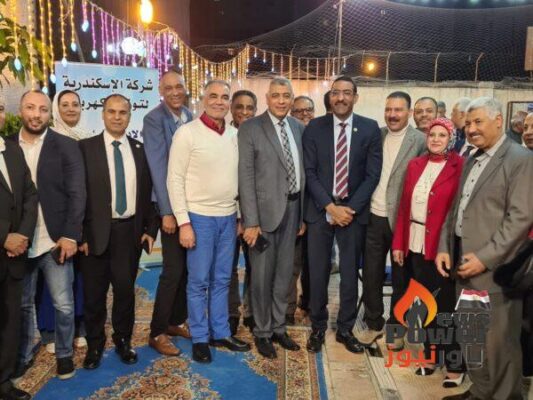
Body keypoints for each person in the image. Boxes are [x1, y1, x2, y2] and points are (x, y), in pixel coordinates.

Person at [437, 97, 533, 400]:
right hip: (463, 264)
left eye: (478, 122)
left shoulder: (520, 159)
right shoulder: (472, 158)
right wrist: (444, 246)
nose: (471, 129)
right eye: (468, 123)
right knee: (472, 338)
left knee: (499, 345)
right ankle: (480, 392)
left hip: (494, 271)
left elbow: (520, 217)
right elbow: (458, 208)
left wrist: (485, 258)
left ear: (498, 121)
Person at [167, 80, 251, 364]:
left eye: (224, 97)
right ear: (203, 99)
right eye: (213, 96)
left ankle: (220, 332)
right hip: (198, 217)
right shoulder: (187, 133)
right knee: (199, 282)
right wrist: (184, 222)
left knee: (223, 279)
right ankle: (200, 337)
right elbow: (174, 179)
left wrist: (238, 215)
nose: (219, 101)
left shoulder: (235, 135)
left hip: (228, 218)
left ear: (229, 103)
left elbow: (238, 179)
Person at [303, 76, 382, 354]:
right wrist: (330, 206)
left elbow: (372, 175)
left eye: (347, 93)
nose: (340, 98)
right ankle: (318, 326)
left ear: (355, 97)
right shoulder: (315, 127)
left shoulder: (370, 128)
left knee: (349, 274)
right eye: (335, 93)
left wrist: (350, 209)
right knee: (317, 272)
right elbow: (309, 172)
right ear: (330, 97)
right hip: (321, 210)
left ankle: (345, 328)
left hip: (352, 213)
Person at [78, 94, 159, 369]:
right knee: (94, 295)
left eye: (122, 112)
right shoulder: (85, 148)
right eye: (111, 111)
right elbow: (76, 195)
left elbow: (150, 194)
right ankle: (95, 345)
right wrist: (80, 235)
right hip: (94, 236)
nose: (116, 117)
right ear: (102, 114)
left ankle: (123, 340)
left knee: (125, 292)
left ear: (129, 116)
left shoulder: (140, 150)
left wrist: (150, 229)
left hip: (129, 234)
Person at [15, 90, 86, 381]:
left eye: (43, 109)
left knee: (63, 303)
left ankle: (64, 354)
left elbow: (77, 192)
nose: (36, 115)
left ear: (50, 113)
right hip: (19, 242)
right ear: (21, 110)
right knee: (21, 305)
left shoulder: (66, 145)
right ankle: (21, 356)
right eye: (30, 108)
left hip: (54, 240)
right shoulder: (7, 146)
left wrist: (70, 235)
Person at [391, 117, 465, 386]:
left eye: (442, 135)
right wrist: (398, 243)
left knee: (446, 308)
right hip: (414, 244)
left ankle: (455, 364)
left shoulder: (460, 165)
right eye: (432, 134)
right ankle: (431, 356)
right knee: (424, 305)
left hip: (442, 247)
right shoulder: (415, 165)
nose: (435, 139)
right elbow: (403, 206)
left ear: (451, 139)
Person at [238, 77, 306, 359]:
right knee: (262, 276)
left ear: (291, 99)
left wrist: (301, 216)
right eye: (275, 95)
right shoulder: (251, 128)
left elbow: (303, 172)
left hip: (293, 210)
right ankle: (263, 332)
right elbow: (245, 177)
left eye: (285, 95)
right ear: (267, 98)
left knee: (283, 275)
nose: (281, 100)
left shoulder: (299, 128)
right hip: (263, 216)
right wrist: (251, 221)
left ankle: (279, 327)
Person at [358, 91, 426, 350]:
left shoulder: (420, 141)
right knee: (371, 274)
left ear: (409, 113)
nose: (392, 114)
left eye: (398, 110)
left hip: (403, 221)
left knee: (402, 278)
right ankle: (374, 322)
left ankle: (396, 326)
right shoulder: (377, 135)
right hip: (374, 216)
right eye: (389, 109)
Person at [142, 70, 192, 357]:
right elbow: (158, 168)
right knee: (172, 271)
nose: (175, 92)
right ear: (161, 91)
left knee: (186, 270)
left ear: (185, 88)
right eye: (169, 88)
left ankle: (176, 321)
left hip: (191, 205)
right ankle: (157, 331)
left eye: (179, 87)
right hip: (170, 207)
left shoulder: (190, 115)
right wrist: (168, 212)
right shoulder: (154, 119)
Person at [36, 90, 89, 356]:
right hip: (53, 226)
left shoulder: (85, 138)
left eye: (75, 105)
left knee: (77, 279)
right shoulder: (47, 140)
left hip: (78, 222)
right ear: (56, 109)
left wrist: (81, 231)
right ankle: (49, 331)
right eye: (64, 105)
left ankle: (78, 327)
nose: (70, 109)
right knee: (51, 282)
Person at [0, 96, 38, 400]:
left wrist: (22, 234)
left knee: (10, 320)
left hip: (14, 256)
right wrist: (4, 237)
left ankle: (4, 381)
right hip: (5, 245)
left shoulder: (12, 150)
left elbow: (29, 195)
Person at [228, 90, 257, 335]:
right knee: (227, 268)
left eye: (249, 107)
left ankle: (250, 311)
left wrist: (249, 217)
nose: (244, 112)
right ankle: (231, 313)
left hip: (254, 215)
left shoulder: (260, 136)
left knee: (254, 266)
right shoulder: (223, 136)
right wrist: (238, 216)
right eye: (240, 106)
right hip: (228, 214)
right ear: (231, 108)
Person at [287, 95, 315, 324]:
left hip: (318, 211)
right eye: (299, 111)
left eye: (309, 110)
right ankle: (288, 309)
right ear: (291, 114)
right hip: (293, 212)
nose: (304, 114)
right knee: (293, 264)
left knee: (315, 264)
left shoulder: (320, 134)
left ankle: (310, 304)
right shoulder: (288, 135)